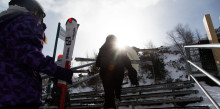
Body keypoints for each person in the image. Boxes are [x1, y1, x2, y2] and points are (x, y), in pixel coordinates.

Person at [0, 0, 73, 108]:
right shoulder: (27, 20)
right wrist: (57, 71)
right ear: (35, 12)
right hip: (20, 94)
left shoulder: (5, 24)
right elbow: (29, 55)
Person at [96, 35, 139, 109]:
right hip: (118, 70)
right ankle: (117, 98)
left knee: (108, 89)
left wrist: (103, 63)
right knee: (117, 86)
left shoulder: (102, 49)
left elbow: (97, 63)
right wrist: (130, 69)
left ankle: (109, 103)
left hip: (105, 71)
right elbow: (126, 60)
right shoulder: (119, 48)